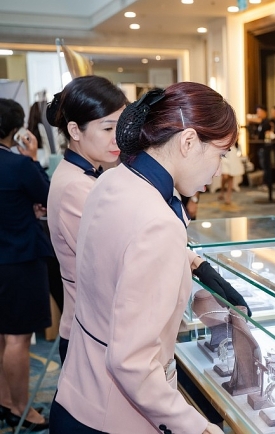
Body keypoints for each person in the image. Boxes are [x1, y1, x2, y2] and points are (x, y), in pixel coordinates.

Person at [49, 83, 248, 434]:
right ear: (188, 142)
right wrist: (198, 428)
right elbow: (131, 362)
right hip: (113, 417)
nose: (219, 170)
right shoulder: (158, 223)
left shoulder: (112, 180)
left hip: (78, 394)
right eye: (221, 154)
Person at [46, 75, 128, 364]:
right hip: (90, 331)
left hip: (92, 324)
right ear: (74, 131)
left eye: (120, 127)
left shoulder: (85, 175)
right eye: (107, 128)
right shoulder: (76, 186)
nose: (117, 138)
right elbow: (114, 259)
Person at [0, 98, 51, 431]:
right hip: (18, 259)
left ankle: (5, 400)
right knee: (17, 338)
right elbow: (48, 195)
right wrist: (32, 158)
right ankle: (20, 408)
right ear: (16, 129)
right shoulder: (18, 165)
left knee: (1, 336)